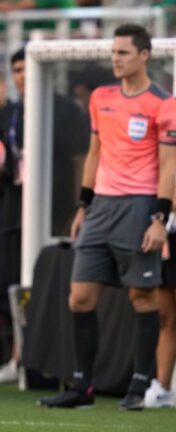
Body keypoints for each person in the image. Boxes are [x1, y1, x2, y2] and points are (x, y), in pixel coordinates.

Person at [38, 24, 176, 410]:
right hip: (100, 207)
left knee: (141, 296)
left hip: (140, 205)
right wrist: (83, 206)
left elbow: (169, 166)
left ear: (144, 55)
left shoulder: (164, 103)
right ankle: (82, 387)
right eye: (114, 52)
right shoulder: (101, 97)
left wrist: (159, 218)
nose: (116, 59)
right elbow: (95, 152)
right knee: (79, 298)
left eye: (124, 52)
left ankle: (140, 386)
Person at [0, 47, 89, 387]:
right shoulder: (12, 111)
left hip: (55, 212)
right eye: (17, 70)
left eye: (27, 68)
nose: (23, 75)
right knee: (4, 283)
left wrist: (78, 206)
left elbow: (79, 159)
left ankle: (46, 360)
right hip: (14, 210)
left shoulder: (65, 109)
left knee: (49, 285)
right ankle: (18, 355)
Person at [144, 97, 176, 408]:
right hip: (169, 225)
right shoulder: (168, 109)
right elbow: (165, 167)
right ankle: (163, 387)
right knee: (166, 314)